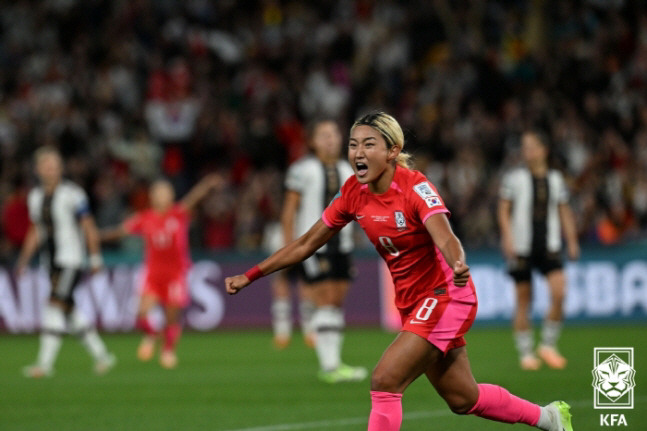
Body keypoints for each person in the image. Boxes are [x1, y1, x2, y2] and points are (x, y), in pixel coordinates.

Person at [226, 112, 573, 431]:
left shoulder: (415, 187)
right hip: (413, 302)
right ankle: (550, 418)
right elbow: (305, 244)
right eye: (353, 144)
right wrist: (251, 275)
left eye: (368, 144)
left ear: (393, 151)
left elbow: (445, 235)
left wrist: (457, 261)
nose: (357, 152)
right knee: (463, 398)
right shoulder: (352, 193)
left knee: (385, 380)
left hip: (446, 294)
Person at [272, 119, 366, 383]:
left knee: (336, 302)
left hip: (343, 244)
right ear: (313, 141)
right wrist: (290, 246)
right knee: (325, 300)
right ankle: (329, 367)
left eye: (335, 134)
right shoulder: (302, 169)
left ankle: (335, 363)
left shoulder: (349, 169)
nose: (331, 139)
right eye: (324, 135)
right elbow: (290, 209)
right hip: (314, 246)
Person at [102, 174, 221, 368]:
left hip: (175, 274)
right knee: (141, 313)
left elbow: (194, 198)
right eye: (159, 193)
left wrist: (207, 184)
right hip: (153, 274)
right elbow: (120, 231)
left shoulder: (179, 214)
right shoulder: (145, 218)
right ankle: (151, 335)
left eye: (166, 192)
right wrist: (97, 236)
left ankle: (168, 350)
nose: (163, 196)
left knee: (171, 317)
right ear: (152, 196)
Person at [17, 146, 116, 378]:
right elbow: (35, 231)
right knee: (69, 309)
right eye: (46, 165)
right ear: (38, 169)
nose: (50, 169)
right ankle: (103, 356)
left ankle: (44, 364)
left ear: (60, 168)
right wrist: (24, 260)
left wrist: (94, 257)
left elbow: (88, 226)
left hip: (70, 260)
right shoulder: (35, 197)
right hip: (48, 261)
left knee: (54, 304)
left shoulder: (73, 194)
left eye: (54, 164)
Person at [498, 130, 580, 370]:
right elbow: (503, 210)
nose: (528, 151)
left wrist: (572, 241)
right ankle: (526, 353)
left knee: (560, 292)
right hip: (522, 246)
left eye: (532, 146)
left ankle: (547, 345)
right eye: (524, 147)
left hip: (549, 244)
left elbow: (564, 211)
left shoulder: (556, 179)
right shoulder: (514, 179)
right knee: (524, 300)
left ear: (544, 150)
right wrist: (507, 238)